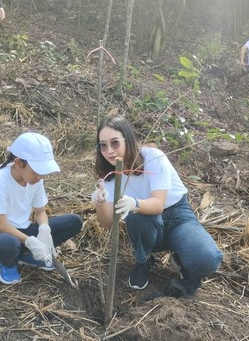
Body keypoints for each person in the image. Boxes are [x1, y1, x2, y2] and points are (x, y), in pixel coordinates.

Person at [91, 116, 223, 298]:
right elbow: (107, 224)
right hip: (146, 227)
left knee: (207, 259)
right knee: (136, 215)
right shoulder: (109, 177)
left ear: (128, 139)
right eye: (103, 145)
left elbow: (158, 204)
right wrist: (99, 202)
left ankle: (184, 261)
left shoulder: (153, 157)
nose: (109, 151)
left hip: (178, 217)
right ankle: (143, 260)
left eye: (115, 143)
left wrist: (134, 203)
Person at [0, 132, 83, 285]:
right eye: (37, 171)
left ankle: (26, 255)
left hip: (23, 230)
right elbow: (0, 224)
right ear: (18, 163)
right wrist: (31, 241)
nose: (40, 176)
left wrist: (44, 229)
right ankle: (8, 264)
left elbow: (40, 211)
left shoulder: (35, 180)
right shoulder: (0, 180)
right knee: (8, 244)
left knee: (74, 222)